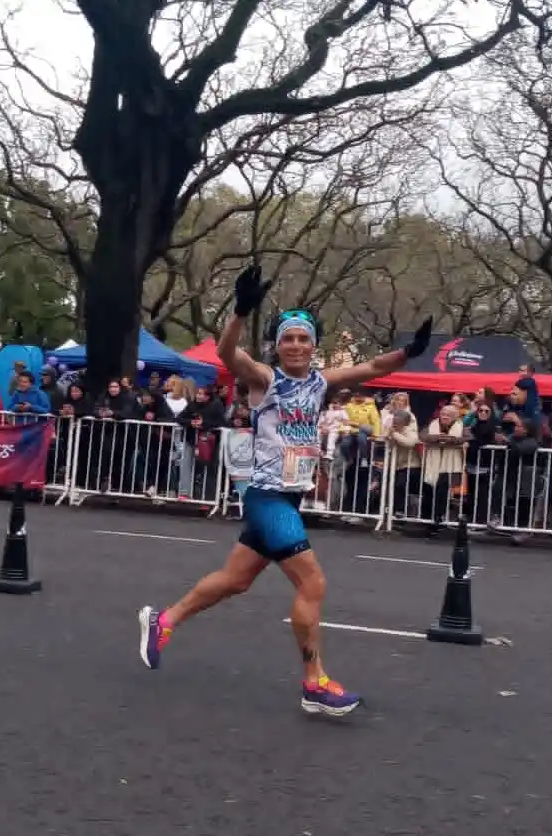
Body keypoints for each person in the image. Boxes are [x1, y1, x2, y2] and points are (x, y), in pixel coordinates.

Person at [137, 265, 433, 716]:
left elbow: (373, 366)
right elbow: (227, 352)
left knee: (236, 579)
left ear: (314, 345)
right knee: (313, 581)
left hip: (289, 497)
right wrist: (239, 311)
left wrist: (409, 352)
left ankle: (164, 620)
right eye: (288, 338)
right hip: (267, 496)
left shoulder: (320, 382)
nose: (296, 345)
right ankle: (315, 683)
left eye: (304, 338)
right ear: (277, 345)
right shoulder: (265, 379)